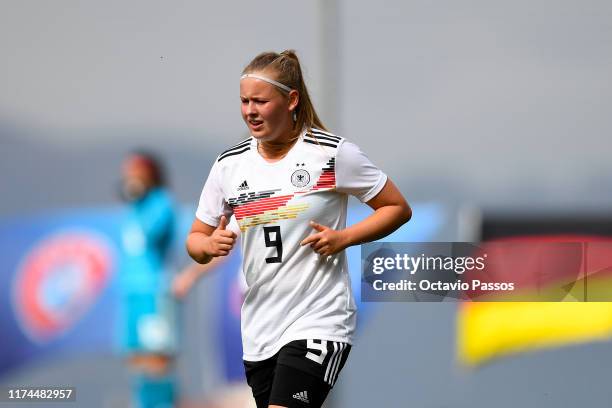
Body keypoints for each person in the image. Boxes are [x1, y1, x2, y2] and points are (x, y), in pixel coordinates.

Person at [186, 50, 411, 408]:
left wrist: (344, 238)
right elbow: (195, 240)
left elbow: (397, 208)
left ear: (291, 100)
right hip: (259, 328)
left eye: (260, 101)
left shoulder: (331, 154)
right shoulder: (228, 165)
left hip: (320, 320)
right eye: (244, 101)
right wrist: (208, 244)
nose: (250, 110)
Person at [118, 150, 178, 408]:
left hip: (155, 292)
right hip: (132, 293)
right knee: (136, 357)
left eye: (135, 170)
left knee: (157, 357)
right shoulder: (132, 208)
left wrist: (140, 196)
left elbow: (152, 234)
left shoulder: (160, 203)